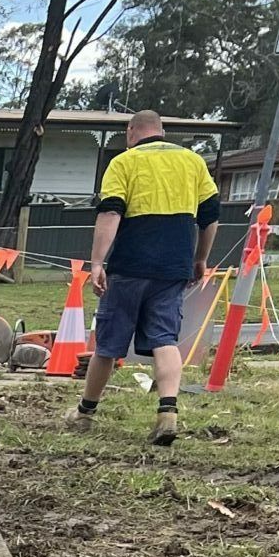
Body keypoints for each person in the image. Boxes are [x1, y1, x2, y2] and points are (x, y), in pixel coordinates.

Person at [77, 110, 221, 446]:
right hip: (174, 266)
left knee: (109, 344)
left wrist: (98, 262)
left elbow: (111, 212)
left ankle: (85, 413)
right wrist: (200, 258)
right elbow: (211, 217)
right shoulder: (193, 162)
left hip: (129, 265)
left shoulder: (124, 163)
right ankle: (167, 413)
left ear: (131, 132)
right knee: (165, 338)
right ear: (162, 132)